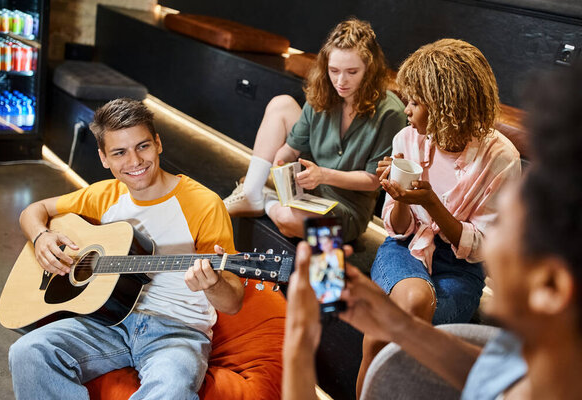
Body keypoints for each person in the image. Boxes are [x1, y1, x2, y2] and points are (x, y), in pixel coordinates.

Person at [282, 65, 582, 400]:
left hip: (453, 268)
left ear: (552, 285)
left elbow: (476, 249)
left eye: (506, 228)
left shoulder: (501, 157)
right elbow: (489, 375)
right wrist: (398, 325)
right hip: (406, 249)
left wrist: (298, 339)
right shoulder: (535, 363)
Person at [8, 98, 244, 399]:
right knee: (28, 352)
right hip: (107, 321)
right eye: (119, 152)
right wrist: (41, 237)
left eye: (142, 146)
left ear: (158, 143)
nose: (134, 162)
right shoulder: (103, 195)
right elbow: (33, 210)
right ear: (104, 158)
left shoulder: (204, 204)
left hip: (177, 329)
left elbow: (233, 302)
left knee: (171, 388)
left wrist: (214, 285)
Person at [359, 39, 521, 394]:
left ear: (447, 106)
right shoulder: (408, 140)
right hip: (402, 251)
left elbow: (483, 249)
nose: (407, 110)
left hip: (461, 270)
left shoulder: (500, 158)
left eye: (415, 102)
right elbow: (397, 230)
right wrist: (398, 196)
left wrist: (432, 203)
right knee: (413, 300)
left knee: (384, 325)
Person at [223, 18, 407, 242]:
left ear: (369, 70)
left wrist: (323, 175)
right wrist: (282, 162)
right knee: (281, 104)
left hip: (348, 209)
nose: (341, 81)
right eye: (334, 70)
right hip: (308, 189)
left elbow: (373, 180)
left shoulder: (391, 112)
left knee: (290, 221)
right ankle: (252, 192)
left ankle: (264, 200)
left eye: (352, 72)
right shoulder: (323, 90)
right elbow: (291, 148)